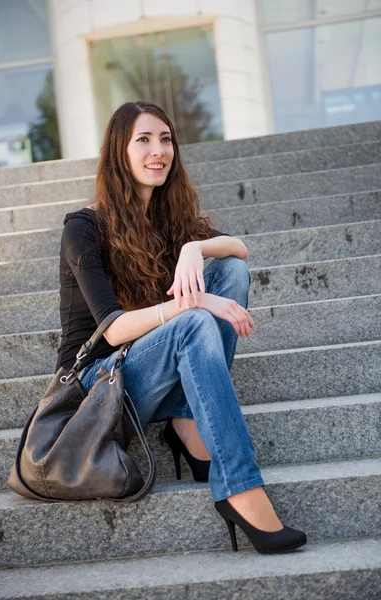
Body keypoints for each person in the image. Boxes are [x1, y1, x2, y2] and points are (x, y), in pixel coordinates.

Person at [56, 101, 307, 555]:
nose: (159, 151)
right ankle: (239, 486)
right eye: (144, 140)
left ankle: (186, 420)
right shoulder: (83, 226)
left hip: (151, 370)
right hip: (99, 384)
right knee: (192, 321)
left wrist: (194, 246)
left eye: (166, 139)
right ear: (119, 152)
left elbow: (240, 249)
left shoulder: (168, 221)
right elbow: (112, 331)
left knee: (229, 270)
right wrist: (195, 303)